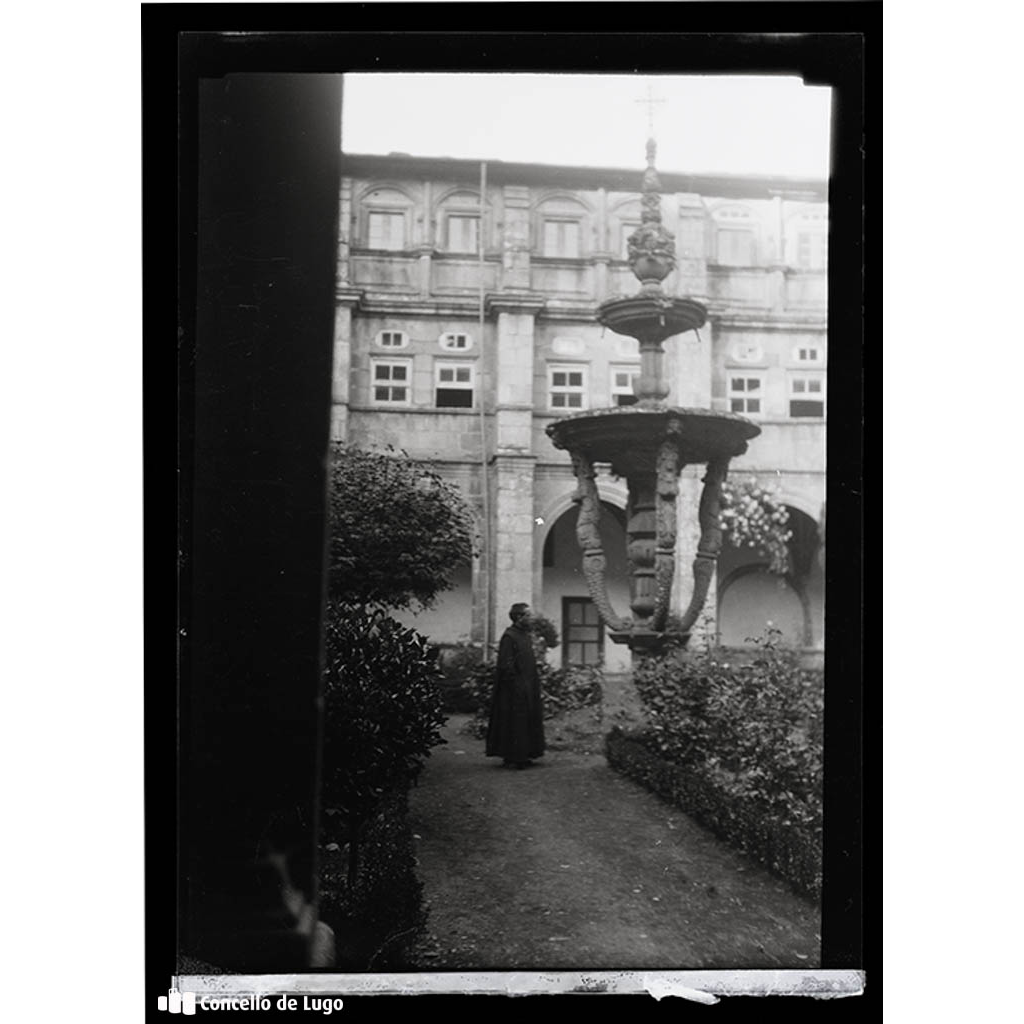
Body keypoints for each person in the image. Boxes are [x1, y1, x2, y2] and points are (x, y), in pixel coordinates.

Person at [485, 602, 545, 769]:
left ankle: (524, 754)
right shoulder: (509, 636)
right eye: (529, 615)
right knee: (515, 721)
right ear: (519, 617)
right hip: (514, 688)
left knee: (525, 720)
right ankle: (514, 756)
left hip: (528, 685)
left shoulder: (524, 635)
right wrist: (517, 685)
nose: (532, 619)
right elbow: (506, 665)